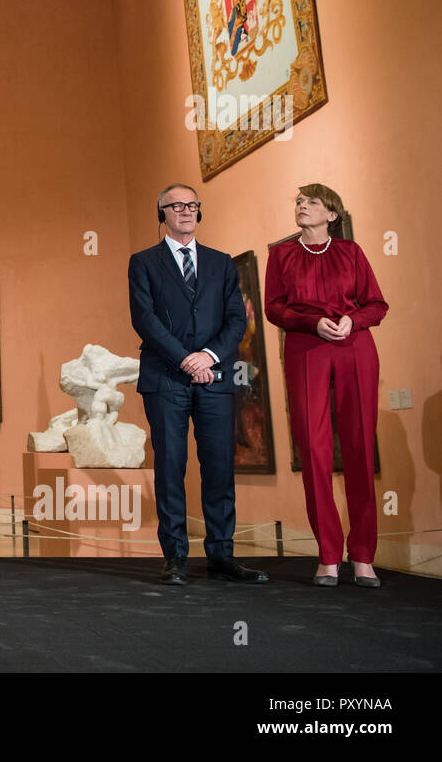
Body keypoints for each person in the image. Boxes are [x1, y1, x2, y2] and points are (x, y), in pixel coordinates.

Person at [128, 185, 267, 584]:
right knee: (171, 467)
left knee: (220, 467)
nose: (186, 211)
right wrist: (186, 359)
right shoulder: (143, 262)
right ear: (162, 214)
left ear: (198, 213)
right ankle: (175, 558)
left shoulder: (222, 263)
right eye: (177, 205)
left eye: (192, 205)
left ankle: (222, 557)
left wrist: (208, 357)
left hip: (215, 378)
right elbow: (145, 318)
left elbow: (236, 320)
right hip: (165, 378)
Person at [263, 185, 387, 588]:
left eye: (311, 202)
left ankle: (364, 556)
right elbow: (274, 307)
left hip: (355, 347)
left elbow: (376, 303)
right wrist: (311, 322)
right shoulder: (281, 255)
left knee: (359, 446)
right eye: (298, 201)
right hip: (305, 348)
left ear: (331, 214)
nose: (301, 206)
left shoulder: (351, 253)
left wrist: (355, 320)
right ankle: (329, 555)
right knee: (314, 450)